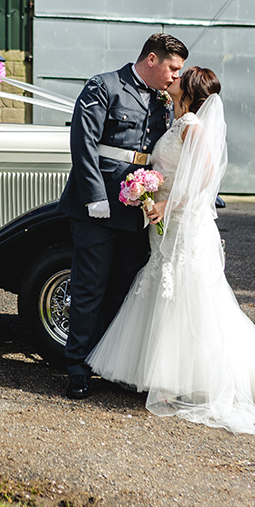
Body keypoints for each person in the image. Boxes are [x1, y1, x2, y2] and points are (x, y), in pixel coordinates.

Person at [87, 67, 255, 435]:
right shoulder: (177, 121)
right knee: (166, 288)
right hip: (164, 224)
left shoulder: (194, 128)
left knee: (187, 294)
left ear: (189, 91)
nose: (173, 78)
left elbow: (204, 176)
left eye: (179, 77)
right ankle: (165, 376)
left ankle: (177, 383)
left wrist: (166, 205)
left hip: (183, 223)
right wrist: (148, 189)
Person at [57, 33, 187, 399]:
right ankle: (77, 366)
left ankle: (110, 364)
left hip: (138, 212)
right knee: (88, 289)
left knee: (124, 291)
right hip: (99, 208)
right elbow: (83, 143)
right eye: (172, 68)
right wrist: (94, 196)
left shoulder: (165, 100)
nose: (176, 76)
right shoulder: (105, 86)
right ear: (151, 59)